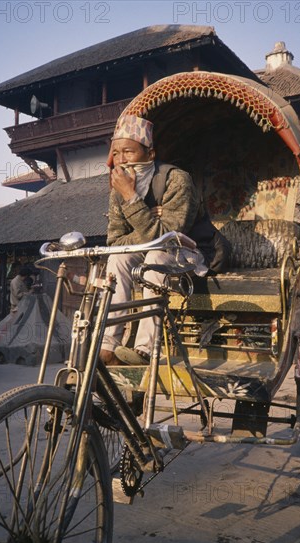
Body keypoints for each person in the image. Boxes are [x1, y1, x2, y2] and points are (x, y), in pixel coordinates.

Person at [100, 114, 228, 366]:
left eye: (129, 152)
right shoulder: (118, 186)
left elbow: (168, 238)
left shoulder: (177, 180)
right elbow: (115, 241)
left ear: (150, 154)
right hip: (153, 248)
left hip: (193, 250)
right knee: (118, 257)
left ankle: (145, 350)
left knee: (155, 257)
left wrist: (132, 200)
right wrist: (147, 216)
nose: (122, 159)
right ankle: (108, 344)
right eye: (116, 153)